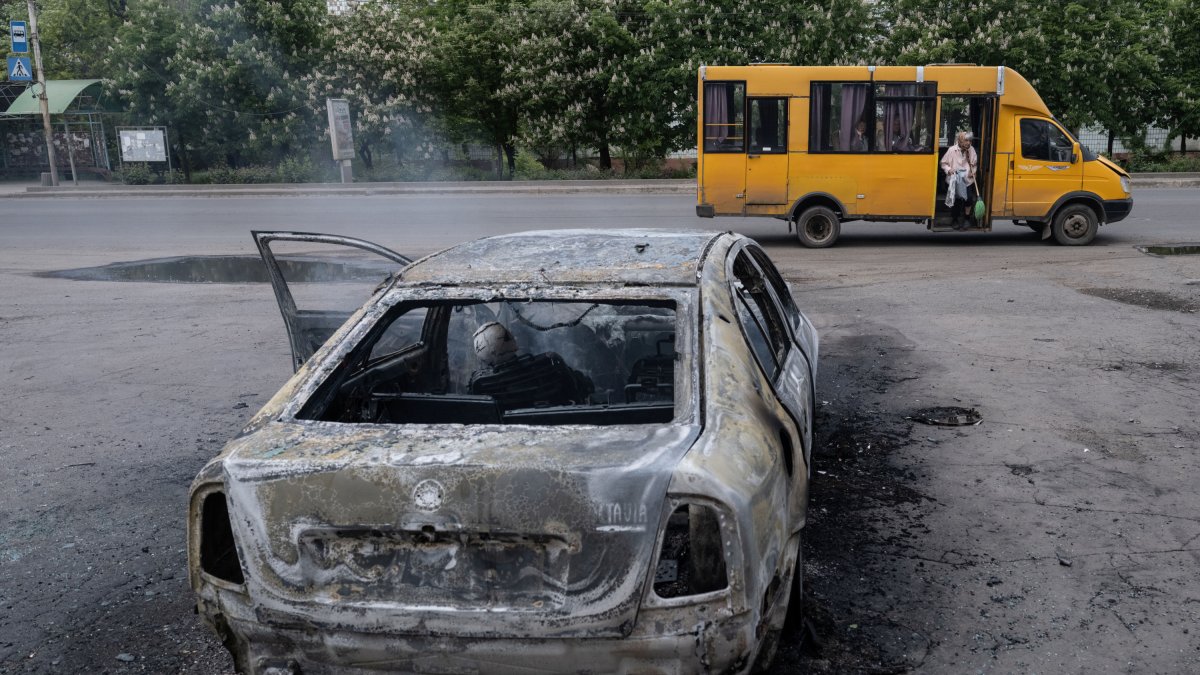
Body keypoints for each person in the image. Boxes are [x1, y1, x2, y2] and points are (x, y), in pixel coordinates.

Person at [468, 322, 593, 409]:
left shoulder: (480, 384)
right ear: (511, 340)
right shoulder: (550, 365)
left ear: (480, 353)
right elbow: (583, 388)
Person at [940, 130, 979, 230]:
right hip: (954, 179)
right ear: (960, 140)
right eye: (966, 140)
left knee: (968, 199)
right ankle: (955, 219)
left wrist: (973, 172)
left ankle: (967, 218)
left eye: (970, 141)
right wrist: (949, 170)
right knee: (956, 200)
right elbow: (943, 163)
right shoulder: (952, 150)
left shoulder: (971, 150)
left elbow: (974, 164)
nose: (969, 143)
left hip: (967, 179)